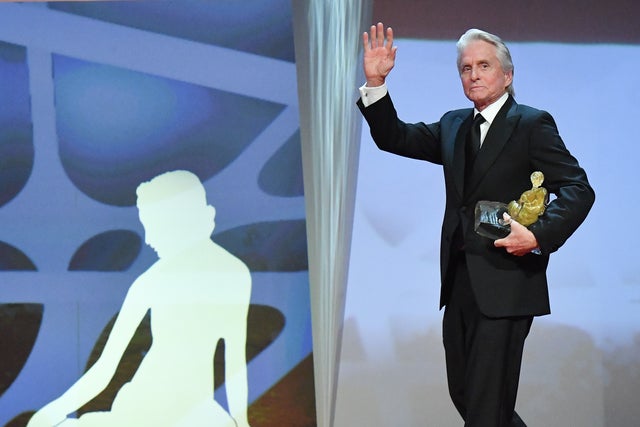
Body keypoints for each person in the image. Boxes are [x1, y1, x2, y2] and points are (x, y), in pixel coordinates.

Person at [358, 23, 594, 426]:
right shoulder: (454, 125)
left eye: (484, 65)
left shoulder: (531, 124)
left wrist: (537, 235)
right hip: (460, 280)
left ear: (507, 75)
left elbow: (577, 188)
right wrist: (376, 83)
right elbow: (395, 137)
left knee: (486, 407)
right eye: (466, 68)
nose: (474, 74)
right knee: (468, 395)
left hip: (507, 280)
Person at [27, 170, 252, 427]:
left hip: (193, 413)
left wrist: (241, 421)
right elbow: (106, 367)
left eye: (153, 226)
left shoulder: (233, 274)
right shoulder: (152, 281)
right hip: (144, 408)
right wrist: (52, 412)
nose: (148, 239)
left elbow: (235, 362)